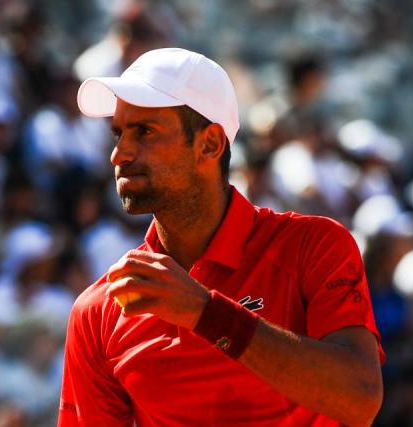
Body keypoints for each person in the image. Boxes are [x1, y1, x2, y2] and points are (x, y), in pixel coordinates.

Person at [59, 48, 384, 426]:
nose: (119, 153)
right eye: (119, 132)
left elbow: (360, 399)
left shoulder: (314, 245)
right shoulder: (97, 312)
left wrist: (206, 314)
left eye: (144, 131)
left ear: (210, 144)